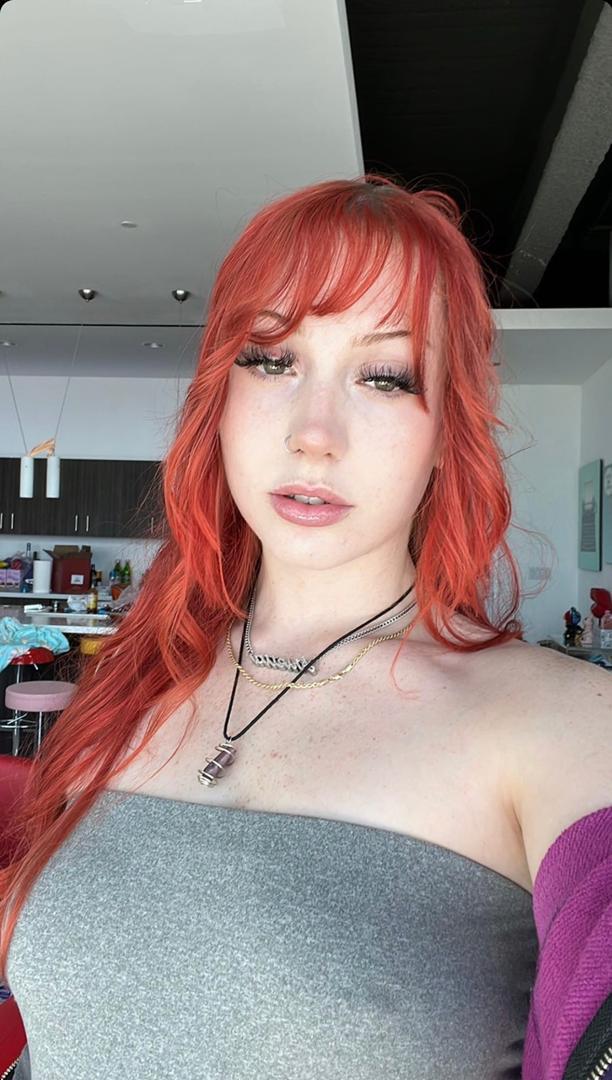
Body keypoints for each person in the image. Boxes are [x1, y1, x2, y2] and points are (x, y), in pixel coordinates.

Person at [1, 175, 610, 1079]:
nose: (313, 434)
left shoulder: (564, 724)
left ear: (448, 431)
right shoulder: (140, 678)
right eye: (271, 360)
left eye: (385, 375)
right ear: (220, 398)